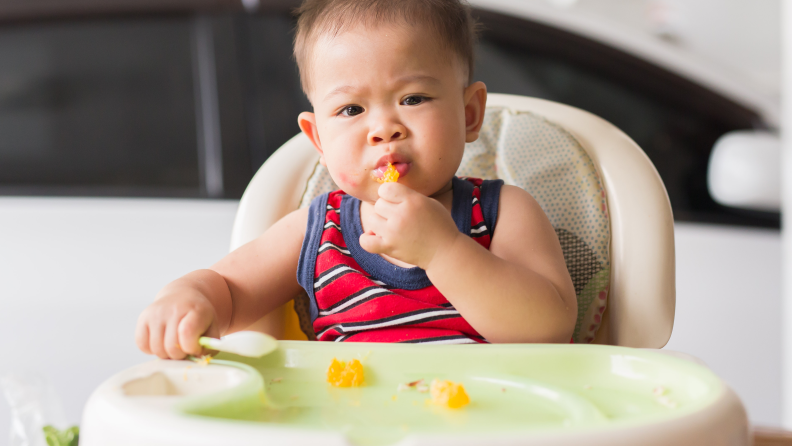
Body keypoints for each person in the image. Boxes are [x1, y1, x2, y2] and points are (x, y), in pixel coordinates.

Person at [135, 0, 577, 359]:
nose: (384, 128)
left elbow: (548, 330)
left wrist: (443, 251)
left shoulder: (502, 214)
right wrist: (189, 296)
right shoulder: (318, 229)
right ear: (319, 139)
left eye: (413, 98)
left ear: (468, 114)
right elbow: (230, 289)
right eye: (351, 110)